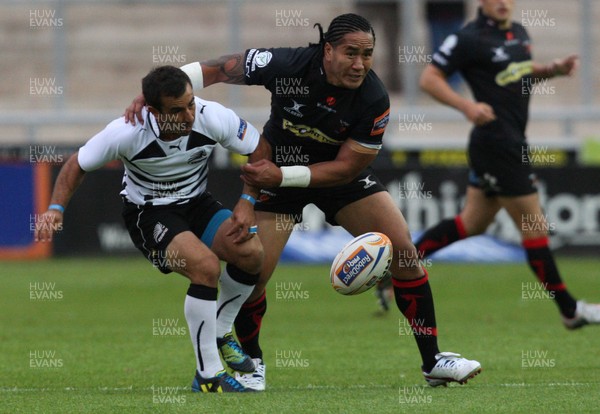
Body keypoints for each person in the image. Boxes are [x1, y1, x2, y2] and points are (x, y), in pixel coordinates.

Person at [126, 13, 482, 390]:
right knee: (254, 273)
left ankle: (434, 362)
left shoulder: (374, 98)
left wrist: (283, 176)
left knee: (405, 253)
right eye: (350, 53)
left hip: (334, 178)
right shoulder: (289, 65)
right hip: (277, 173)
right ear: (327, 50)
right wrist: (156, 95)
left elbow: (347, 168)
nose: (360, 64)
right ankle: (251, 365)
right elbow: (217, 68)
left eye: (367, 54)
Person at [35, 65, 267, 393]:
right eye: (176, 110)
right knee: (206, 267)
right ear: (153, 112)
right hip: (150, 214)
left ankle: (220, 328)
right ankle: (209, 375)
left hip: (198, 203)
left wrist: (247, 201)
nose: (188, 116)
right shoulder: (126, 132)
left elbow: (259, 148)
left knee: (252, 255)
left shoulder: (210, 116)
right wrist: (55, 209)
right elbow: (77, 164)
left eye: (190, 103)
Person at [416, 0, 600, 328]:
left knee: (472, 223)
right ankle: (570, 310)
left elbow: (518, 77)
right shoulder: (468, 38)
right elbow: (429, 78)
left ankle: (400, 267)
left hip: (510, 140)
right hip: (497, 144)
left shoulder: (519, 32)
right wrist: (467, 107)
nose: (503, 3)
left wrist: (551, 70)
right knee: (534, 226)